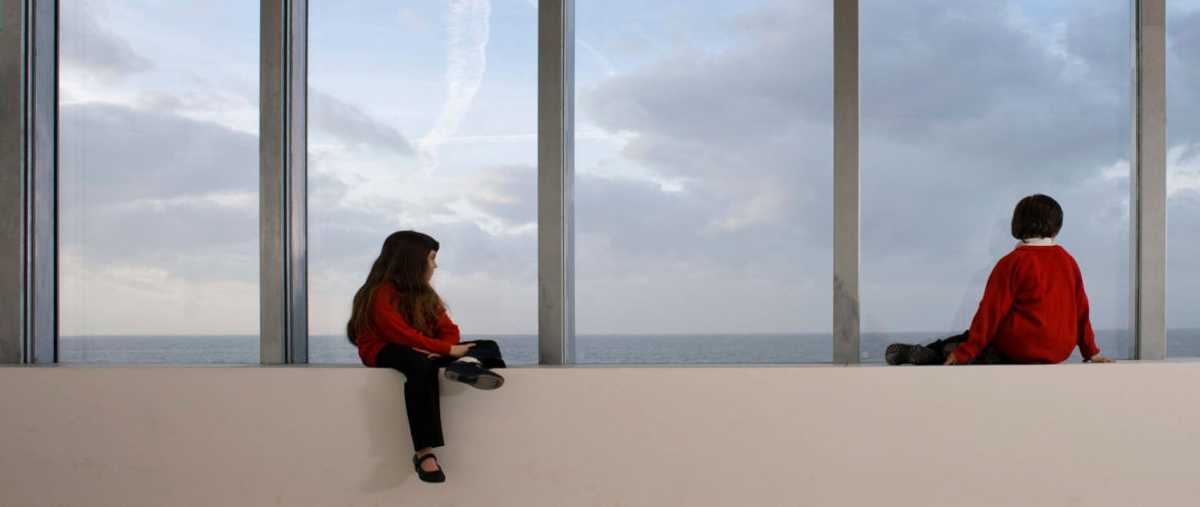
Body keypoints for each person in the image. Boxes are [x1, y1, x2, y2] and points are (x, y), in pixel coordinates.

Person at [347, 230, 507, 483]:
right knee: (417, 365)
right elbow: (397, 333)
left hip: (425, 349)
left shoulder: (424, 294)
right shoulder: (379, 293)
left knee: (488, 346)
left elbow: (449, 330)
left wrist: (441, 347)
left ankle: (466, 364)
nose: (435, 265)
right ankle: (424, 453)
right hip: (385, 348)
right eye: (431, 258)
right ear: (412, 260)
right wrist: (445, 351)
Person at [886, 194, 1114, 366]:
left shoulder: (1012, 262)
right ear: (1057, 228)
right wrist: (1091, 352)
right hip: (1058, 352)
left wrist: (965, 352)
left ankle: (933, 353)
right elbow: (1081, 311)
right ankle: (952, 352)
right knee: (976, 342)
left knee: (965, 342)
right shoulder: (1068, 261)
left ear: (1017, 224)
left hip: (1019, 348)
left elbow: (990, 313)